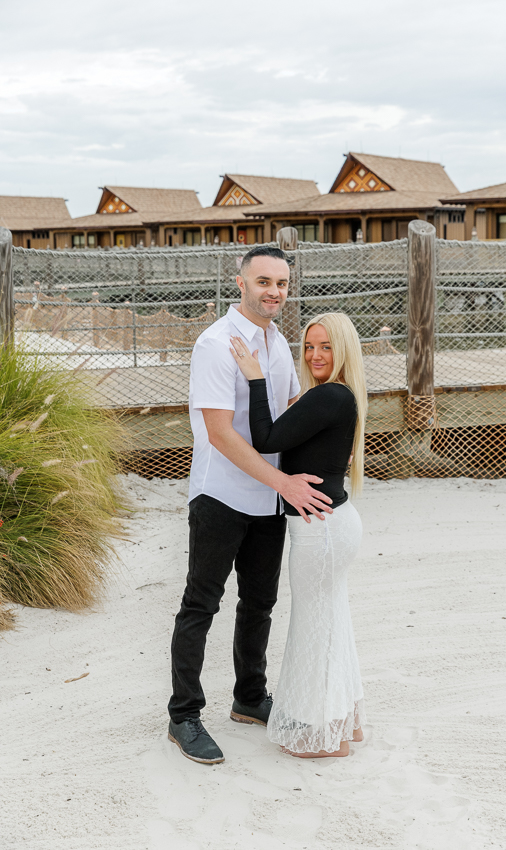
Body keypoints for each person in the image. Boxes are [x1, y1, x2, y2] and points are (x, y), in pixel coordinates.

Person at [167, 245, 333, 766]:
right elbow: (220, 433)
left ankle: (249, 699)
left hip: (269, 498)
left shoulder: (279, 342)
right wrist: (285, 483)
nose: (274, 292)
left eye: (281, 283)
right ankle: (183, 716)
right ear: (240, 283)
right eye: (263, 282)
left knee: (260, 603)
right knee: (201, 605)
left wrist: (332, 435)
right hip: (221, 494)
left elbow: (285, 413)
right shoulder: (215, 344)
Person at [229, 311, 367, 758]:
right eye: (309, 346)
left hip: (320, 532)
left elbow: (266, 439)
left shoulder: (329, 395)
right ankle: (341, 724)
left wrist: (255, 378)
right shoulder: (337, 395)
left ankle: (323, 737)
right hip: (332, 526)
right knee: (331, 623)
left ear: (343, 350)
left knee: (315, 627)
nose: (315, 355)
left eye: (326, 346)